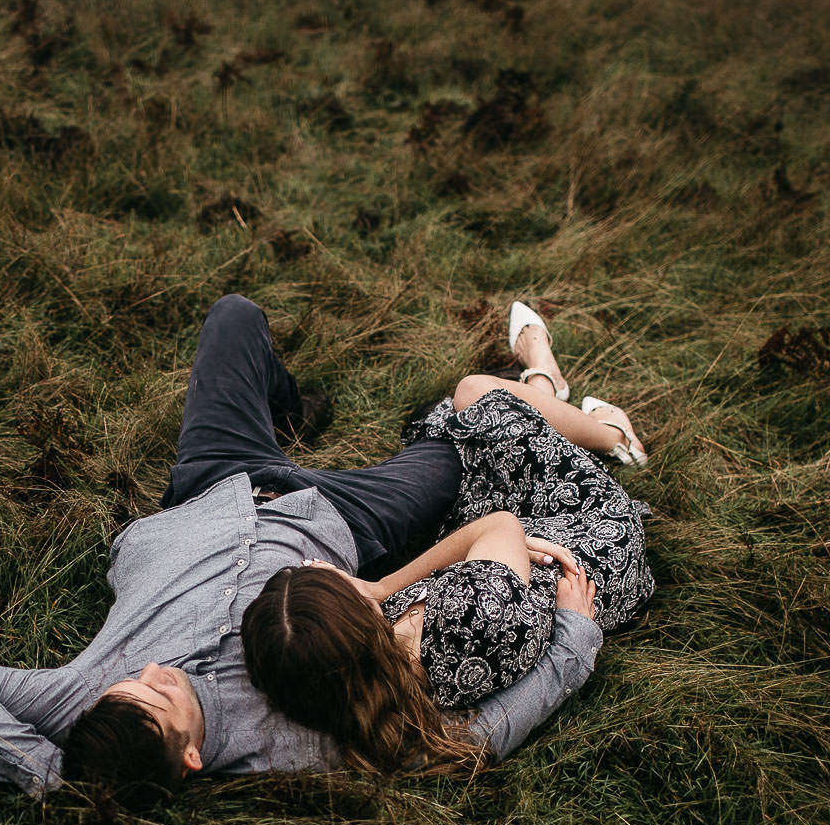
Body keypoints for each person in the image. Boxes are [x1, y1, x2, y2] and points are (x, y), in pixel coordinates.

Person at [0, 295, 608, 802]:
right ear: (193, 758)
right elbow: (464, 746)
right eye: (162, 697)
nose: (153, 671)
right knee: (473, 437)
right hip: (339, 520)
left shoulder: (85, 707)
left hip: (210, 485)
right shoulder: (284, 746)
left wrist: (53, 776)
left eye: (134, 681)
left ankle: (289, 410)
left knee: (235, 317)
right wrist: (574, 642)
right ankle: (561, 400)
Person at [242, 302, 655, 774]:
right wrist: (381, 586)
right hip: (593, 536)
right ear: (356, 618)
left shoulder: (383, 680)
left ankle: (545, 387)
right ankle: (609, 432)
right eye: (317, 578)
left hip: (522, 558)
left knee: (445, 429)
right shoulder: (467, 612)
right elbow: (500, 525)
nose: (316, 566)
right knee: (474, 396)